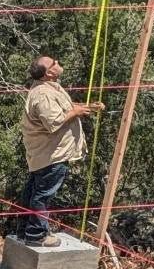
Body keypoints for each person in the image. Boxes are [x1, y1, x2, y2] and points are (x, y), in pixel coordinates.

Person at [17, 55, 103, 247]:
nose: (57, 62)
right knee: (42, 195)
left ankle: (24, 232)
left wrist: (86, 107)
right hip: (51, 154)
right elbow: (53, 122)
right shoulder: (43, 94)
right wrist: (77, 113)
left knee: (33, 192)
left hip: (47, 154)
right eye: (54, 62)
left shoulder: (49, 88)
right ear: (48, 73)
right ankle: (37, 235)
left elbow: (62, 109)